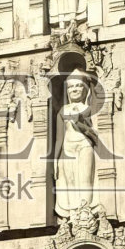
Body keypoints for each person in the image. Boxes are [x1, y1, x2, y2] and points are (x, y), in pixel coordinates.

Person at [55, 73, 98, 217]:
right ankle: (73, 212)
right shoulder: (63, 110)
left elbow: (95, 134)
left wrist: (79, 123)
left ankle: (85, 210)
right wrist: (55, 160)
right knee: (70, 180)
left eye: (78, 86)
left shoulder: (88, 109)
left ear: (85, 89)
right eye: (71, 86)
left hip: (84, 145)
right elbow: (59, 138)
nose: (74, 89)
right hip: (67, 147)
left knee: (85, 178)